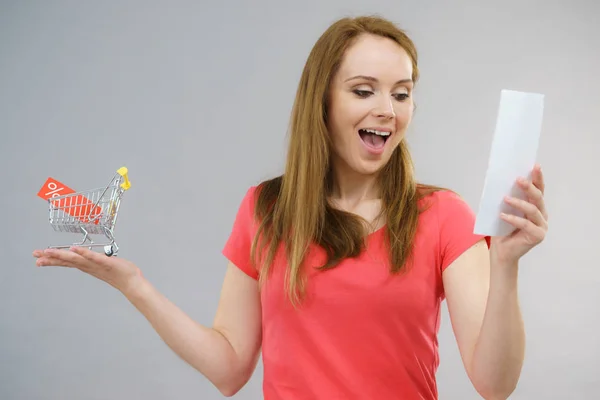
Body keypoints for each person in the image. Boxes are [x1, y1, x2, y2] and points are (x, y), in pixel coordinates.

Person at [32, 15, 549, 400]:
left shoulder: (444, 216)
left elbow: (494, 384)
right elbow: (229, 367)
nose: (387, 110)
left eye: (402, 93)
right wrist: (134, 286)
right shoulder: (266, 210)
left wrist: (505, 269)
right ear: (321, 101)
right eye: (363, 90)